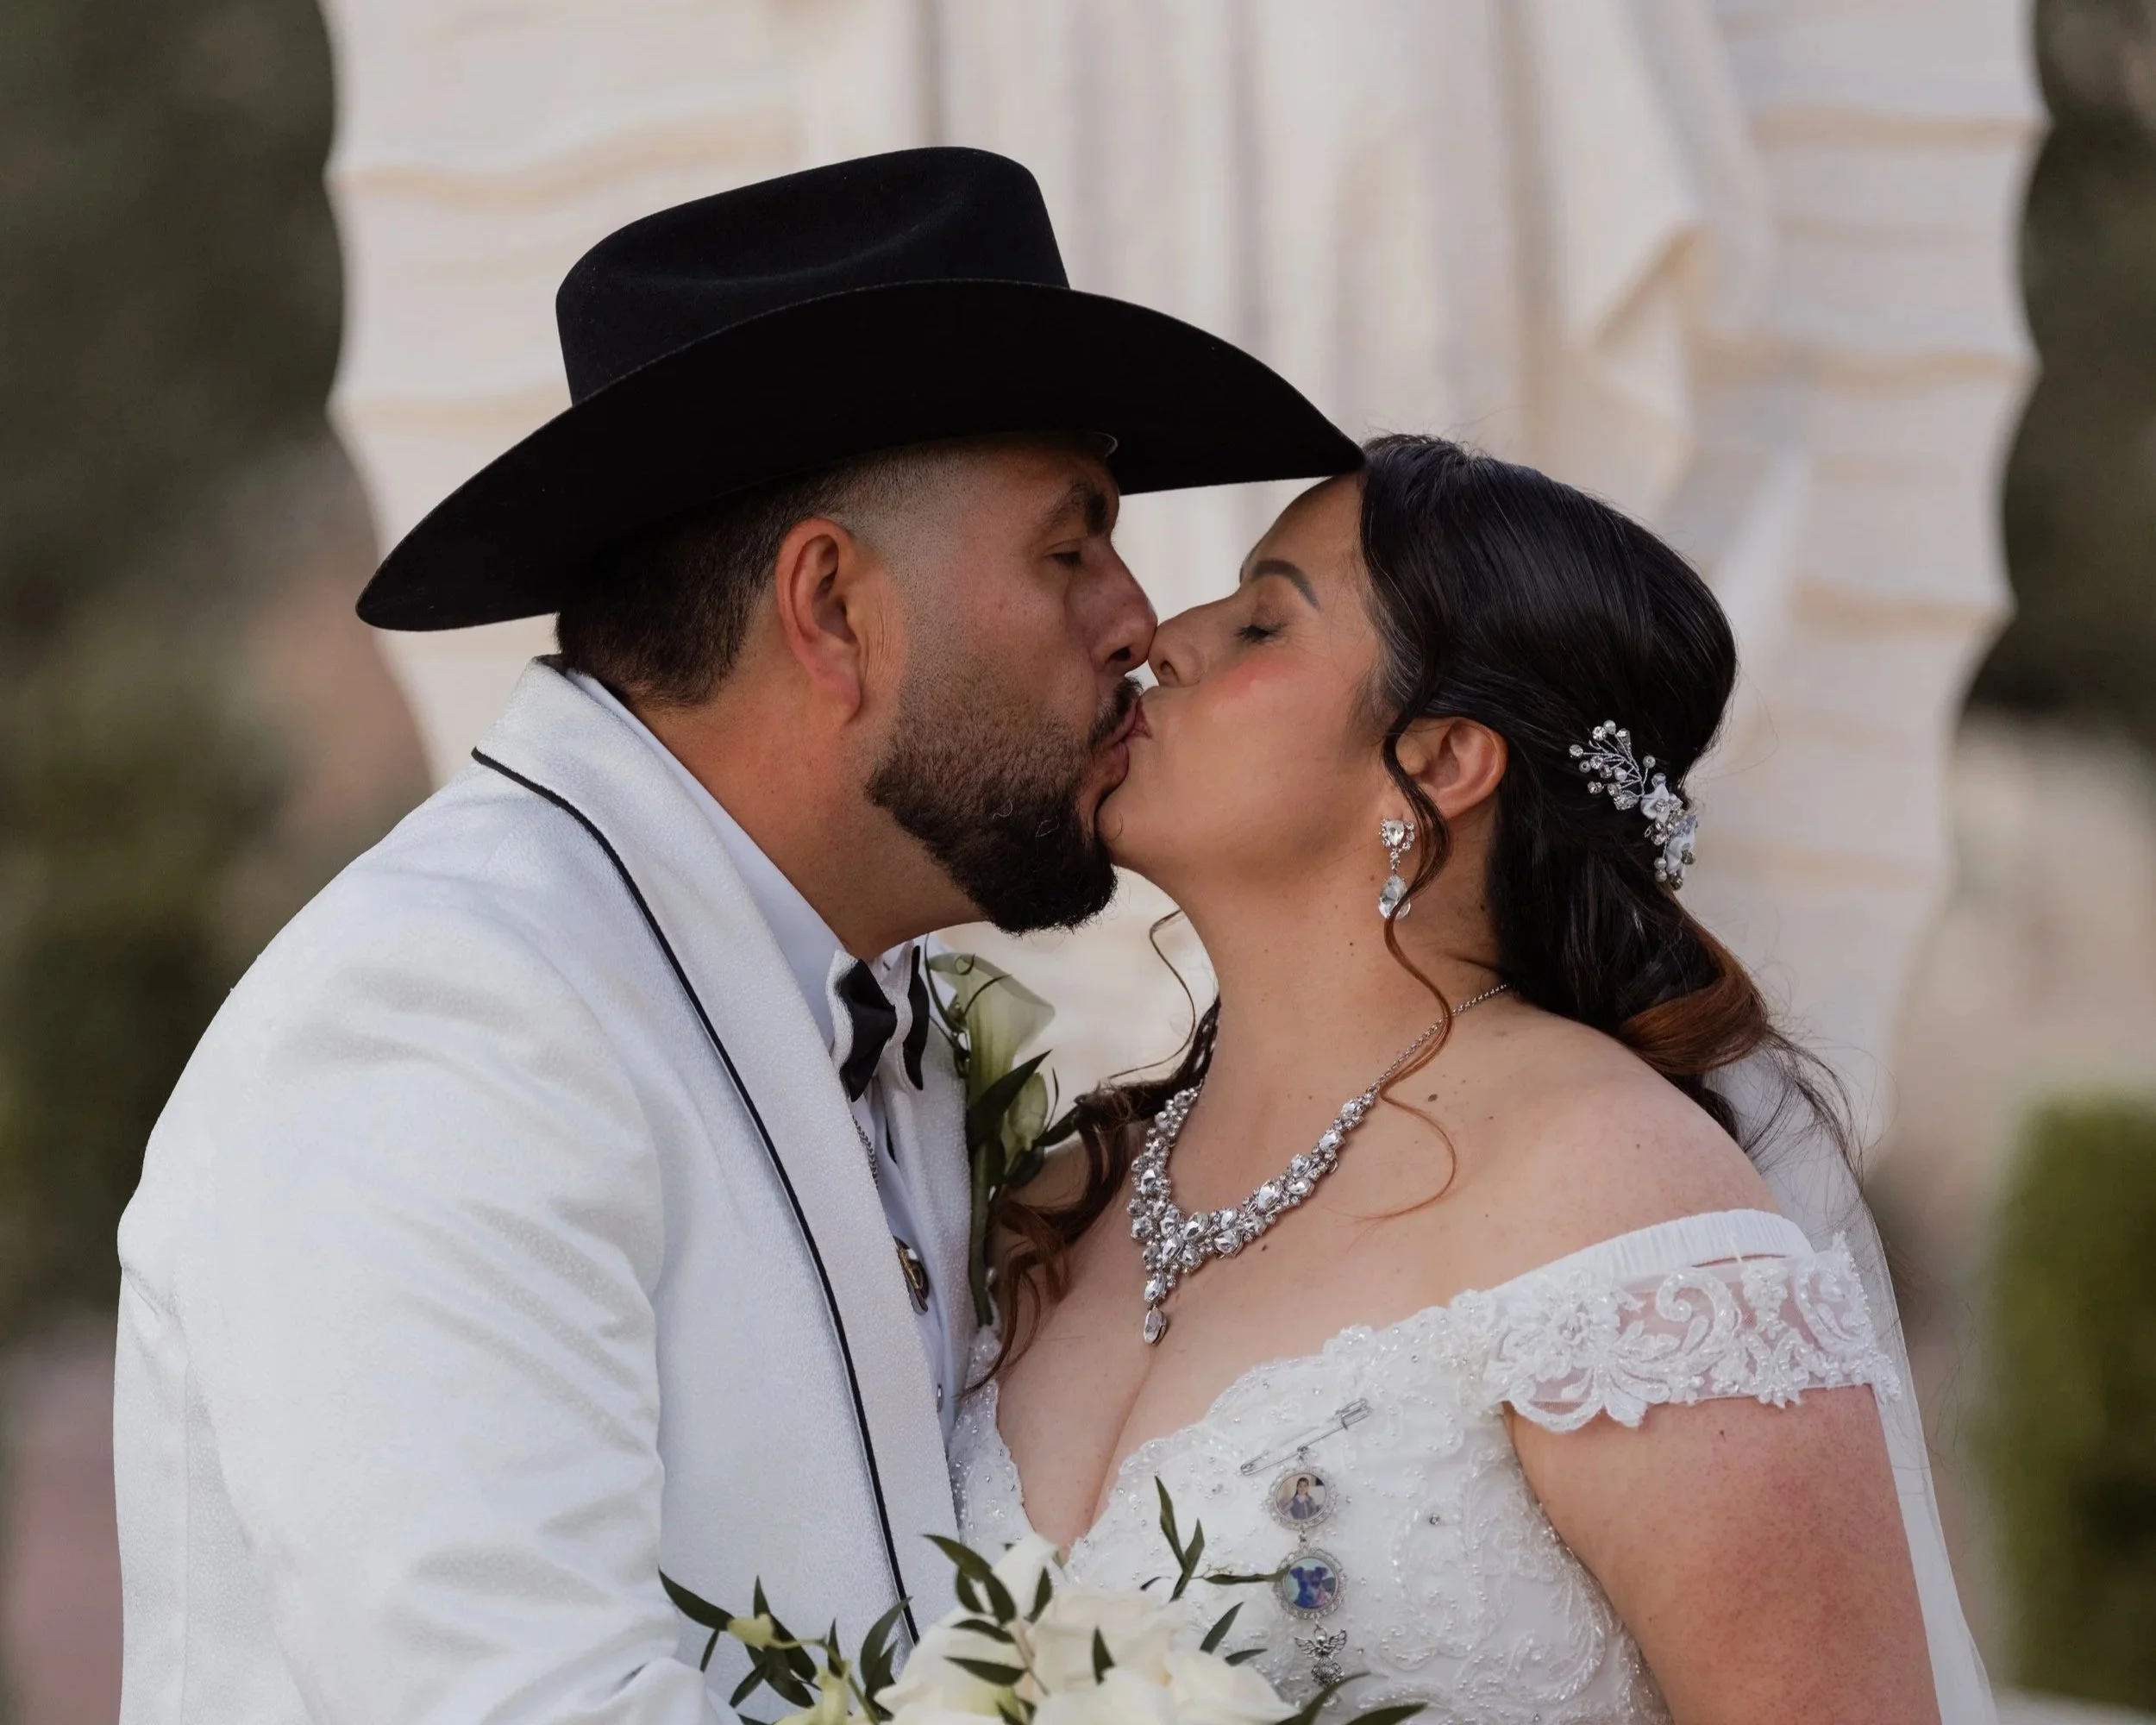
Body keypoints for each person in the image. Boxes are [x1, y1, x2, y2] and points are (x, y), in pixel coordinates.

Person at [110, 147, 1357, 1725]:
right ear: (832, 608)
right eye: (1070, 545)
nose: (1135, 618)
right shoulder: (439, 1023)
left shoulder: (875, 997)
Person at [956, 436, 1997, 1722]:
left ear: (1443, 762)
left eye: (1264, 622)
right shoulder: (1060, 1194)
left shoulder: (1620, 1200)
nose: (1166, 637)